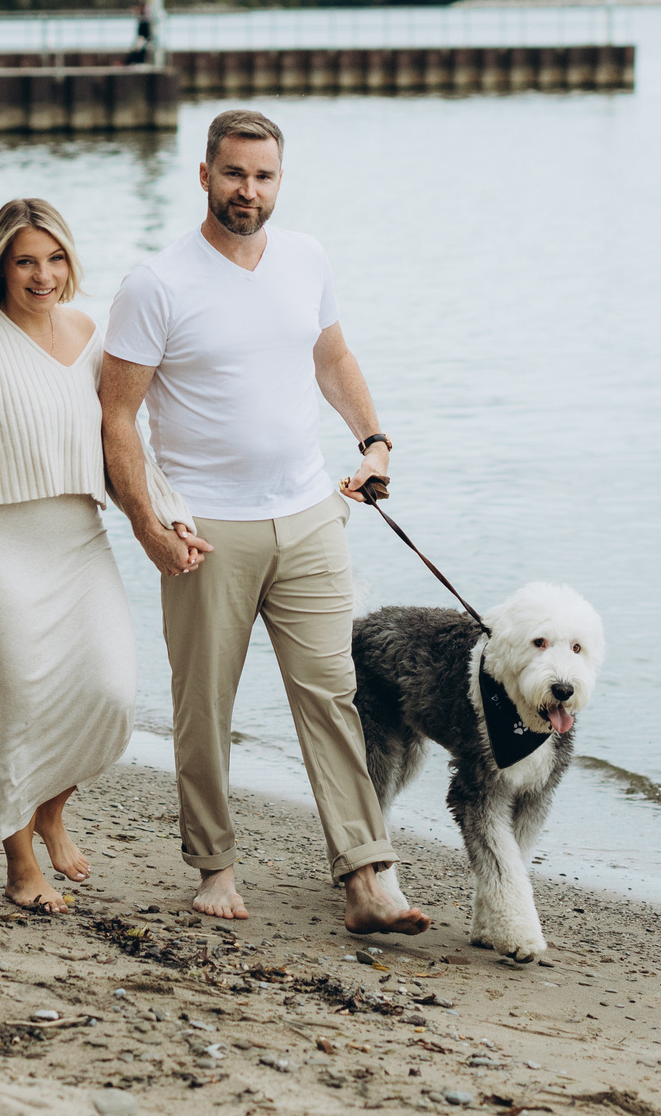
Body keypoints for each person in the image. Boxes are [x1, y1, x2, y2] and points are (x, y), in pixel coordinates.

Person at [100, 108, 429, 933]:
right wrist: (147, 522)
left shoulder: (306, 258)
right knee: (205, 703)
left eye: (265, 175)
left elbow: (332, 356)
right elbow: (116, 419)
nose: (249, 190)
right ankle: (214, 864)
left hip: (313, 512)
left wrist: (375, 441)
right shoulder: (156, 283)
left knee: (334, 695)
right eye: (235, 173)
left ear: (280, 180)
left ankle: (366, 876)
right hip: (206, 527)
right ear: (205, 174)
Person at [0, 198, 200, 913]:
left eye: (54, 258)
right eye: (25, 261)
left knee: (110, 693)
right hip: (0, 547)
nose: (42, 274)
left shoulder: (94, 337)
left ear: (70, 262)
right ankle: (20, 866)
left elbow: (120, 438)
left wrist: (171, 514)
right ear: (0, 267)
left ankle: (51, 807)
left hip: (81, 540)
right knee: (13, 706)